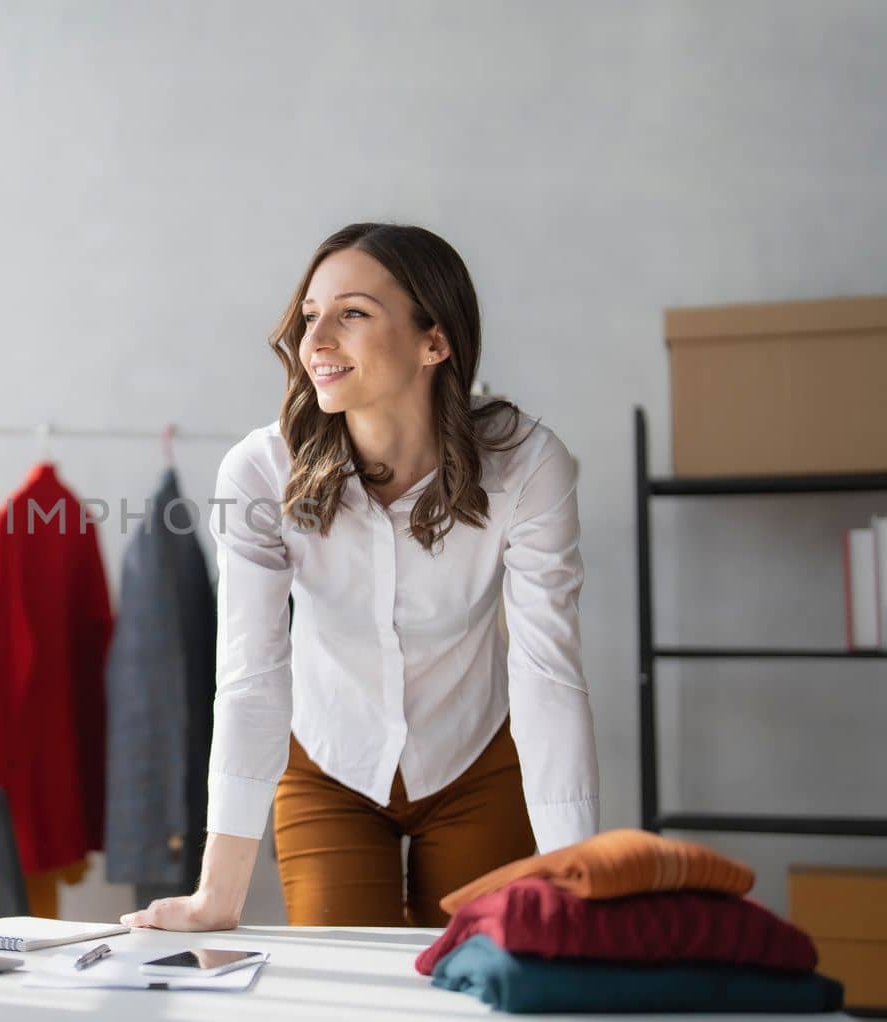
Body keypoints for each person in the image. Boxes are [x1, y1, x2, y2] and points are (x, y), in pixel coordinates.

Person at [123, 223, 599, 930]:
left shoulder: (527, 467)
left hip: (478, 764)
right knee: (340, 993)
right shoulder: (260, 472)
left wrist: (580, 881)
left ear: (434, 340)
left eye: (352, 313)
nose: (315, 342)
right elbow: (252, 678)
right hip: (328, 769)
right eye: (312, 316)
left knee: (483, 981)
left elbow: (548, 676)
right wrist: (215, 895)